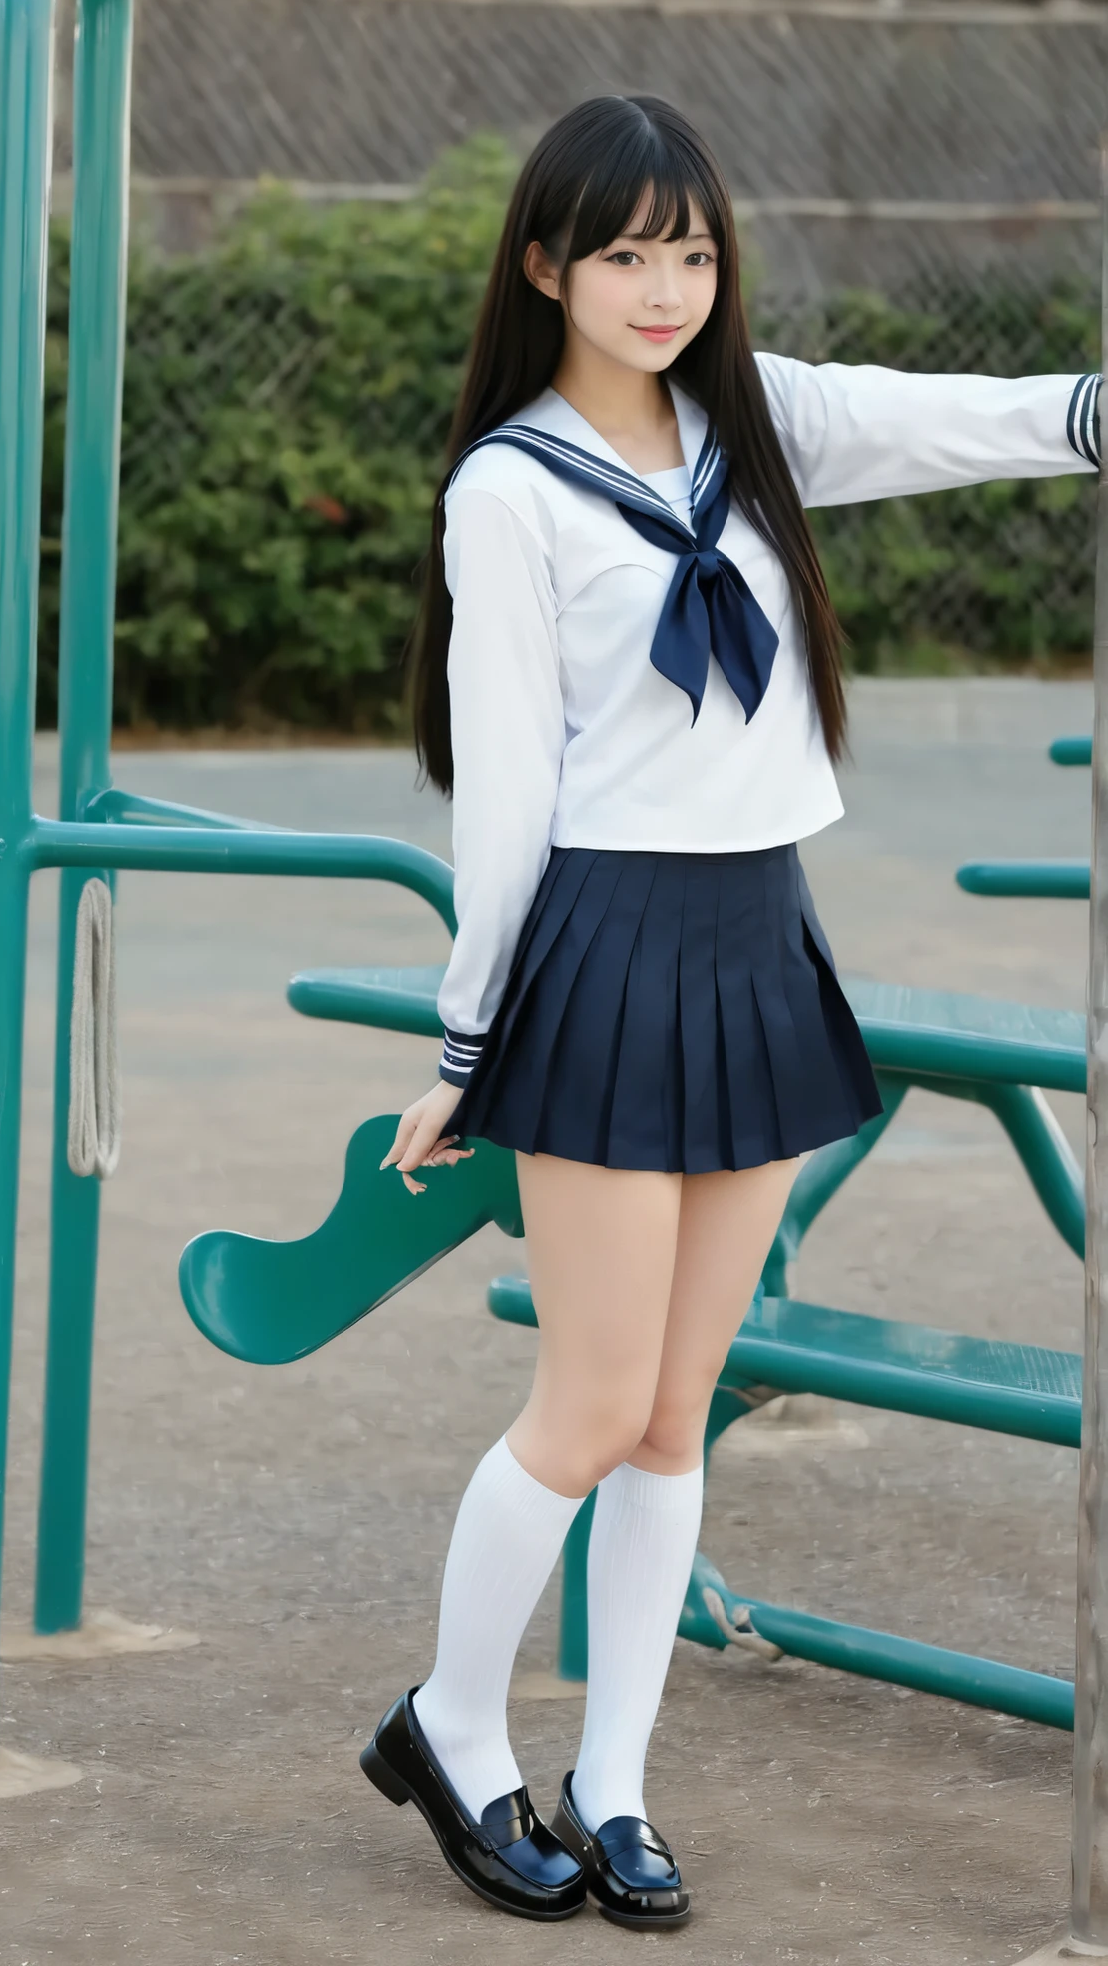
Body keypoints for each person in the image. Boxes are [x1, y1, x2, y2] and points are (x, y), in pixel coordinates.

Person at [359, 94, 1101, 1927]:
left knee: (679, 1412)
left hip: (763, 935)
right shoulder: (509, 492)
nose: (665, 287)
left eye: (690, 251)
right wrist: (468, 1040)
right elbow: (509, 789)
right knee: (592, 1401)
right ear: (547, 266)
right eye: (626, 253)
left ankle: (614, 1780)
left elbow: (939, 418)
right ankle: (453, 1725)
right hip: (606, 946)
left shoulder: (746, 420)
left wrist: (1088, 414)